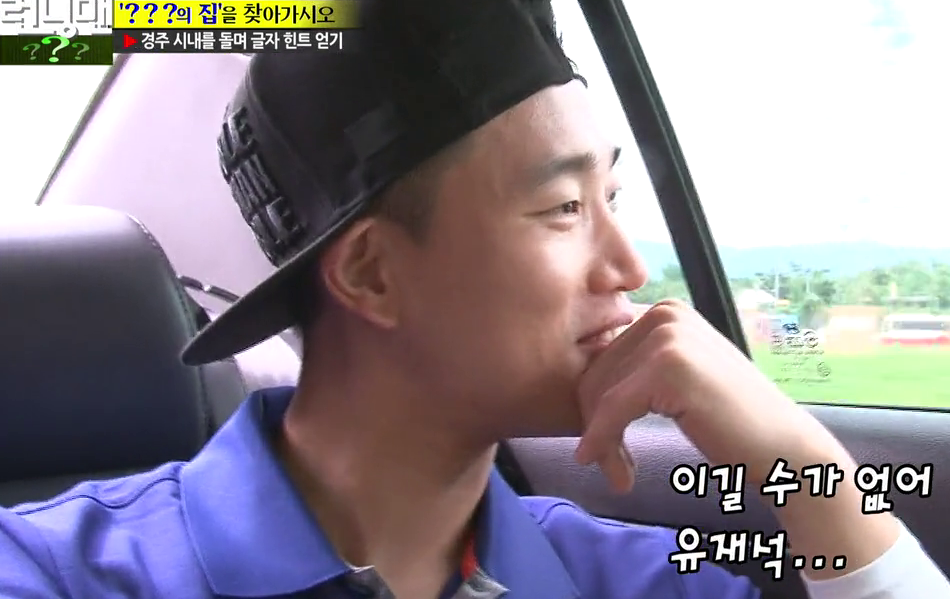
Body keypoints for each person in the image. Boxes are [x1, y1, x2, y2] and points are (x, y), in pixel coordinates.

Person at [1, 1, 947, 598]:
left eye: (612, 199)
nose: (627, 265)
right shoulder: (55, 572)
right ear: (372, 274)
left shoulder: (627, 577)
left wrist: (801, 461)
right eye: (564, 207)